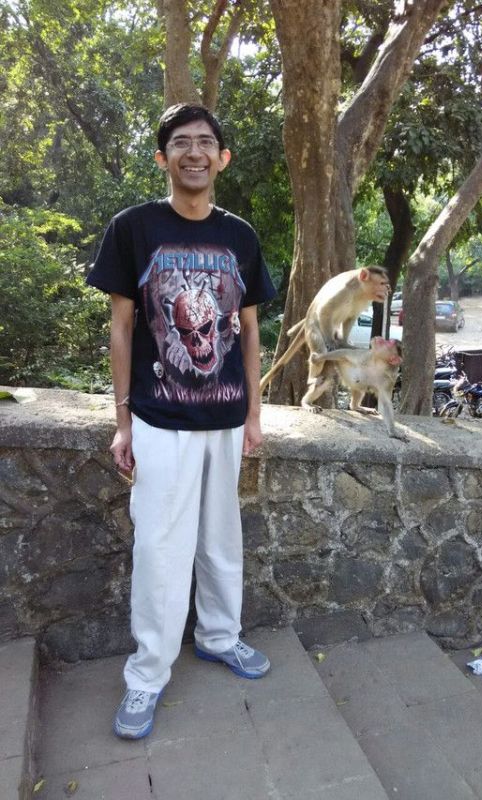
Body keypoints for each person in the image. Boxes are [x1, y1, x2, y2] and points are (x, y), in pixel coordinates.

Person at [86, 103, 276, 740]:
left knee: (222, 539)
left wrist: (253, 414)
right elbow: (121, 327)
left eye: (205, 143)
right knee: (160, 550)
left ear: (222, 158)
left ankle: (220, 637)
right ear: (163, 157)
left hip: (225, 418)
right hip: (159, 418)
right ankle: (147, 675)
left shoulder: (240, 236)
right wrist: (122, 421)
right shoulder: (134, 228)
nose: (194, 152)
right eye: (181, 143)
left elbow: (249, 329)